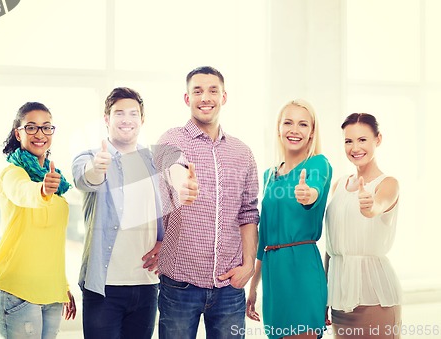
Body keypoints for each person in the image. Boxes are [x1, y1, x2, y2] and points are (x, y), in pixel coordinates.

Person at [155, 66, 260, 339]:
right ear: (187, 98)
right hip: (180, 285)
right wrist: (182, 186)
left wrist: (248, 266)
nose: (206, 97)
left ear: (224, 97)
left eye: (213, 90)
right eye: (197, 91)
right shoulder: (171, 140)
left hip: (229, 287)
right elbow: (172, 169)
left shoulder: (242, 153)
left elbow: (248, 214)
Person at [72, 87, 163, 339]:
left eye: (133, 114)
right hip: (104, 287)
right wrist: (97, 168)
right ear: (106, 119)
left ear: (142, 120)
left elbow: (166, 211)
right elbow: (85, 179)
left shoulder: (154, 161)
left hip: (146, 284)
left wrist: (164, 242)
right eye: (118, 113)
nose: (126, 119)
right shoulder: (88, 157)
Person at [0, 102, 76, 339]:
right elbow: (23, 192)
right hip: (15, 292)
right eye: (32, 127)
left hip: (50, 293)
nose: (40, 134)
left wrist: (63, 286)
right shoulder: (12, 173)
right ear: (19, 133)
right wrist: (42, 191)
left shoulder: (55, 179)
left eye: (46, 127)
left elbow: (48, 243)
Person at [247, 99, 332, 339]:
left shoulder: (318, 163)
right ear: (279, 128)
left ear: (312, 131)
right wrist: (253, 287)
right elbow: (264, 237)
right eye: (288, 122)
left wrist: (308, 195)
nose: (295, 130)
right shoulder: (269, 175)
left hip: (302, 270)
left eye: (303, 124)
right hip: (274, 278)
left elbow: (313, 191)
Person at [324, 113, 402, 338]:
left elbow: (378, 206)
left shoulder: (388, 184)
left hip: (375, 298)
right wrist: (324, 298)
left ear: (378, 140)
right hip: (340, 299)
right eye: (348, 141)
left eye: (362, 140)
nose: (355, 147)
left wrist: (370, 206)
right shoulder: (339, 185)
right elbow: (331, 247)